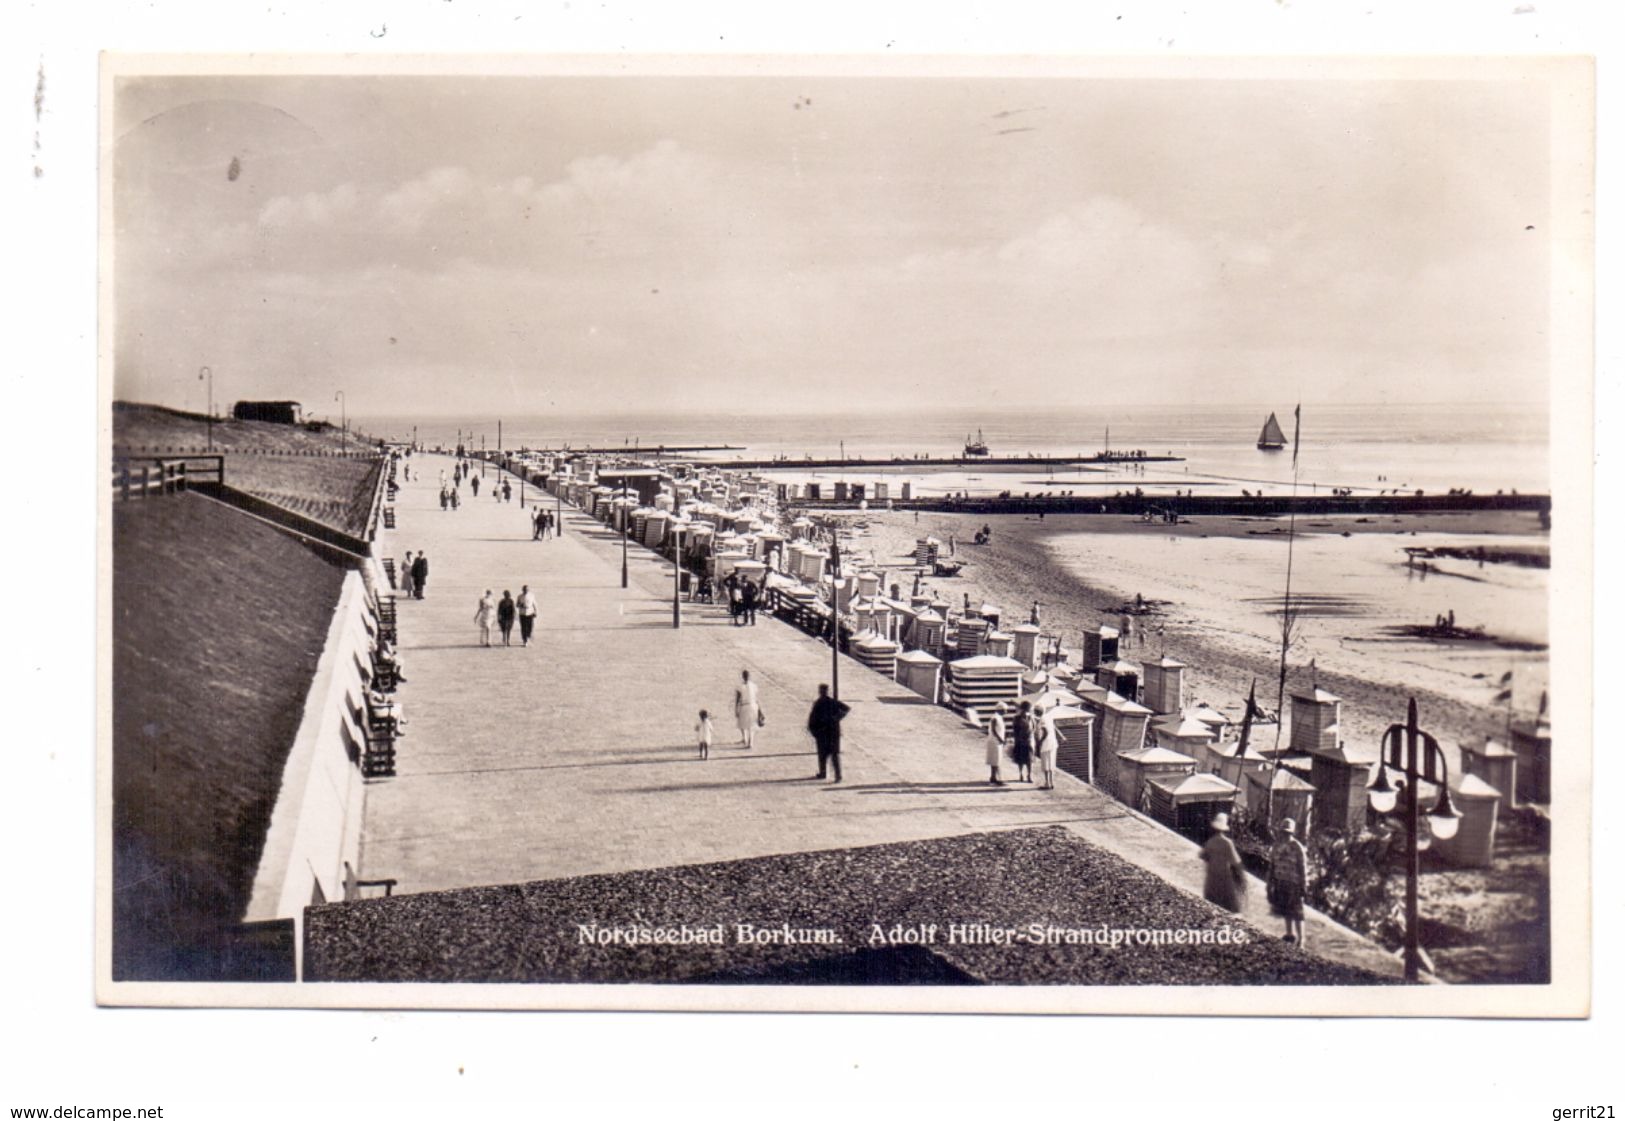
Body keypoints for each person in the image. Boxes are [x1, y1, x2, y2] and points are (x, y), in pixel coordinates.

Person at [1267, 818, 1309, 944]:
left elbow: (1303, 867)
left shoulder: (1297, 847)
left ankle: (1301, 939)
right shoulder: (1276, 846)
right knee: (1286, 909)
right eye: (1283, 832)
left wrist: (1304, 884)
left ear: (1292, 833)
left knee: (1297, 911)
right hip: (1281, 881)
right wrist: (1270, 883)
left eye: (1288, 833)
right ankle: (1290, 934)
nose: (1285, 835)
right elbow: (1272, 865)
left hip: (1294, 883)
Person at [1200, 813, 1246, 913]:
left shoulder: (1210, 842)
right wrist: (1241, 877)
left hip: (1212, 877)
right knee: (1227, 906)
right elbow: (1236, 861)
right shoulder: (1227, 843)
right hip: (1224, 876)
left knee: (1211, 903)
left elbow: (1203, 856)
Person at [807, 683, 850, 782]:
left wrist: (837, 718)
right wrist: (837, 718)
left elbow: (812, 718)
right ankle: (832, 774)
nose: (822, 692)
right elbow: (846, 709)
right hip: (830, 732)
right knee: (830, 755)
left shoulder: (823, 702)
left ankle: (827, 773)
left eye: (823, 690)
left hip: (826, 732)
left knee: (827, 754)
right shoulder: (829, 702)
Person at [1010, 700, 1036, 783]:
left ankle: (1029, 775)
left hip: (1029, 740)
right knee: (1020, 759)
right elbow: (1014, 730)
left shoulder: (1030, 717)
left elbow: (1034, 727)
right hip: (1020, 740)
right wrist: (1018, 738)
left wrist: (1031, 735)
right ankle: (1021, 774)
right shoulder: (1017, 718)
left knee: (1029, 759)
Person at [735, 669, 760, 748]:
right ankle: (750, 742)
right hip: (753, 706)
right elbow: (756, 698)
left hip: (744, 706)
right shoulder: (754, 686)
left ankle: (745, 738)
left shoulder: (740, 687)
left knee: (742, 723)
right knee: (751, 725)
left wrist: (736, 708)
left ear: (742, 677)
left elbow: (738, 699)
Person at [985, 702, 1008, 785]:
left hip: (997, 741)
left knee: (996, 761)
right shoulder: (995, 718)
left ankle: (993, 777)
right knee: (996, 761)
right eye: (1005, 710)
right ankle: (996, 778)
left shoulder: (998, 717)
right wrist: (1001, 739)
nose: (1006, 712)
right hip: (995, 741)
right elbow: (994, 730)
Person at [1037, 712, 1059, 790]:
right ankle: (1052, 783)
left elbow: (1045, 731)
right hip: (1053, 743)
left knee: (1046, 764)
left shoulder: (1042, 719)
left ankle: (1047, 783)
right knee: (1051, 764)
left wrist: (1040, 741)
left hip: (1046, 744)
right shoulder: (1049, 717)